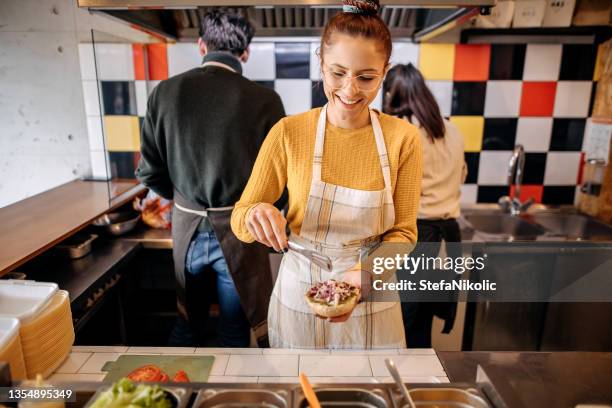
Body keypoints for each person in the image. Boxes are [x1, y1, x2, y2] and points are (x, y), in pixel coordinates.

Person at [230, 0, 422, 349]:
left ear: (385, 71)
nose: (350, 90)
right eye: (337, 73)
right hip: (299, 296)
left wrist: (362, 275)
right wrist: (256, 213)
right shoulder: (289, 132)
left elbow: (404, 234)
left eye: (366, 78)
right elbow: (240, 218)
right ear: (321, 63)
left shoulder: (403, 139)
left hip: (372, 294)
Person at [136, 8, 285, 348]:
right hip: (240, 237)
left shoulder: (164, 93)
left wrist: (182, 200)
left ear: (201, 46)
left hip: (186, 232)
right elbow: (279, 180)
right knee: (234, 331)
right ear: (245, 53)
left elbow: (149, 171)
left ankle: (178, 395)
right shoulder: (266, 101)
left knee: (188, 326)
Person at [383, 63, 466, 347]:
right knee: (423, 323)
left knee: (402, 326)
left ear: (392, 95)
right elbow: (462, 174)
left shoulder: (403, 133)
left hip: (416, 239)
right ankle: (419, 387)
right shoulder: (452, 130)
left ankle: (401, 387)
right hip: (448, 240)